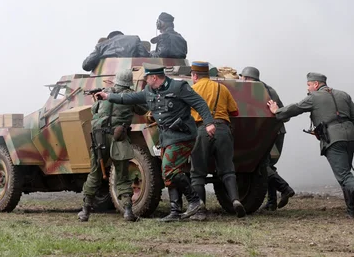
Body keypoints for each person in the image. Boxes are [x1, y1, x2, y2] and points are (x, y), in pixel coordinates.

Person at [94, 63, 216, 222]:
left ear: (154, 77)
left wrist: (209, 123)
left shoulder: (179, 87)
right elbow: (128, 98)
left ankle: (194, 201)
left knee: (169, 170)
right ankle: (175, 211)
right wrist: (108, 96)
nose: (145, 79)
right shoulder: (149, 91)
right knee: (169, 174)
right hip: (166, 137)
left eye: (147, 77)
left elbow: (200, 103)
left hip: (183, 135)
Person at [267, 72, 354, 219]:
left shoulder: (313, 97)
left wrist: (277, 111)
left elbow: (296, 108)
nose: (307, 88)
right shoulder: (344, 94)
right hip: (351, 137)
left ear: (316, 84)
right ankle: (351, 211)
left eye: (308, 85)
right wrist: (348, 133)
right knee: (345, 174)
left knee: (344, 176)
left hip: (333, 139)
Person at [78, 69, 148, 222]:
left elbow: (93, 110)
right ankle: (128, 211)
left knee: (94, 174)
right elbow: (144, 109)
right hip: (118, 138)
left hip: (99, 138)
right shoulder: (129, 96)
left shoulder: (105, 93)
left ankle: (85, 211)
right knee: (122, 174)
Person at [188, 61, 245, 220]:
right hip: (223, 130)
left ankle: (200, 210)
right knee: (227, 169)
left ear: (195, 75)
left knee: (197, 172)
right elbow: (234, 111)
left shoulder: (192, 90)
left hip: (202, 131)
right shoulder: (222, 88)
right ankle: (235, 200)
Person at [239, 66, 295, 211]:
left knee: (262, 165)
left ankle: (285, 189)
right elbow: (284, 115)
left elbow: (284, 115)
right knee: (268, 166)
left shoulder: (251, 91)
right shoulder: (269, 90)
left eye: (243, 78)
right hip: (274, 132)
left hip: (265, 134)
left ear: (246, 78)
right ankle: (271, 202)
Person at [82, 31, 150, 72]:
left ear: (109, 38)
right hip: (132, 75)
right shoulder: (135, 39)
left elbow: (86, 66)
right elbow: (145, 57)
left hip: (107, 77)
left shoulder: (101, 45)